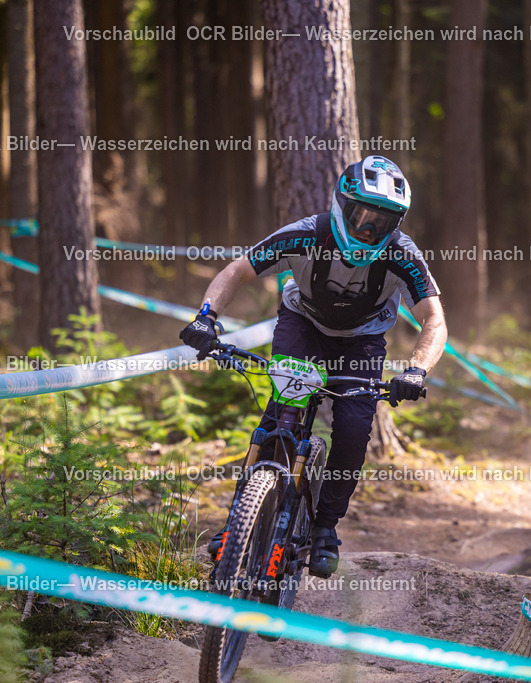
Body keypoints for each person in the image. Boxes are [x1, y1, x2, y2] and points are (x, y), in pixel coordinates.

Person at [180, 155, 447, 577]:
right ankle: (239, 521)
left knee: (355, 428)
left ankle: (325, 527)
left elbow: (434, 318)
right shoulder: (306, 234)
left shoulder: (401, 254)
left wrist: (416, 370)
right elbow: (238, 271)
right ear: (342, 204)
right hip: (303, 324)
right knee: (284, 408)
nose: (368, 230)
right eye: (361, 217)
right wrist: (206, 317)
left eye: (381, 223)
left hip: (361, 342)